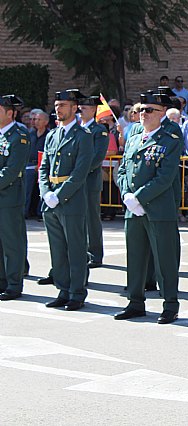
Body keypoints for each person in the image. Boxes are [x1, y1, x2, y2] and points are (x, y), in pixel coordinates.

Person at [114, 92, 181, 324]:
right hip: (133, 208)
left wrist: (140, 198)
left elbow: (165, 176)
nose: (143, 114)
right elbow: (122, 169)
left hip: (158, 208)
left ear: (162, 113)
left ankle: (170, 304)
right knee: (135, 258)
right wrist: (126, 195)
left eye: (149, 110)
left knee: (165, 260)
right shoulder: (134, 136)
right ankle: (135, 302)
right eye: (141, 109)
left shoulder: (170, 137)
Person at [39, 89, 94, 311]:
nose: (58, 109)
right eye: (56, 105)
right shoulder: (52, 135)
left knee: (76, 248)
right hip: (51, 197)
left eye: (62, 105)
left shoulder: (83, 136)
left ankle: (77, 292)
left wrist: (59, 195)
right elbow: (44, 167)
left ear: (74, 108)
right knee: (57, 248)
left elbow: (80, 172)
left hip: (71, 199)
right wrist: (46, 192)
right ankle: (63, 289)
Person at [0, 95, 30, 301]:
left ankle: (14, 283)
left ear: (10, 113)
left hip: (9, 197)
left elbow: (11, 170)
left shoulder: (19, 135)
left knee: (12, 242)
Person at [77, 95, 109, 269]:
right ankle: (80, 251)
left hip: (89, 180)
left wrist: (78, 171)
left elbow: (97, 157)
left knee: (91, 216)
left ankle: (95, 253)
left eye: (86, 107)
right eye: (80, 106)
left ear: (94, 110)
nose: (82, 109)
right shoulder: (76, 129)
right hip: (74, 180)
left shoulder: (99, 130)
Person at [25, 109, 49, 218]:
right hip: (29, 165)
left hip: (44, 166)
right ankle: (25, 211)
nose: (36, 121)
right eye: (35, 119)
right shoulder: (30, 134)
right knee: (26, 186)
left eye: (39, 119)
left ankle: (40, 213)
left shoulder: (50, 135)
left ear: (45, 122)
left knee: (43, 188)